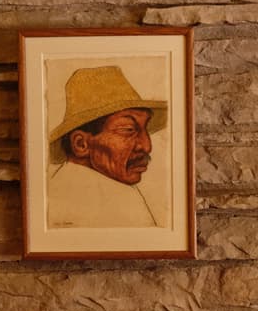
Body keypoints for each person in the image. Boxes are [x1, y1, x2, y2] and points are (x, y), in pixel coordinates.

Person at [46, 65, 168, 228]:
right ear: (81, 144)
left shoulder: (62, 189)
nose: (146, 146)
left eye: (145, 129)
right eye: (128, 130)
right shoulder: (114, 200)